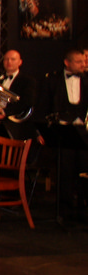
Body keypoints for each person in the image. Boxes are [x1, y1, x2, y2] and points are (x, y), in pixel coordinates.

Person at [38, 48, 88, 221]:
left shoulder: (86, 79)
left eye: (84, 61)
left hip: (84, 133)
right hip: (63, 132)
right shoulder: (52, 80)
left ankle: (83, 208)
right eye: (79, 62)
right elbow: (43, 106)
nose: (83, 65)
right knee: (65, 172)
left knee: (84, 171)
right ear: (67, 63)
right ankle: (64, 211)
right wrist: (42, 131)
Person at [0, 49, 37, 129]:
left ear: (20, 62)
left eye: (13, 59)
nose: (9, 62)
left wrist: (4, 112)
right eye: (6, 59)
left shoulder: (28, 81)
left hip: (15, 125)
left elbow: (27, 102)